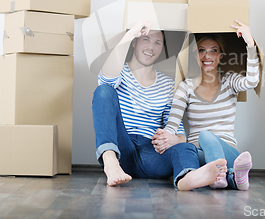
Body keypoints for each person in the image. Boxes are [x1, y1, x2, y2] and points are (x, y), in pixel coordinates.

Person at [91, 19, 226, 190]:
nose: (151, 47)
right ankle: (110, 163)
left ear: (162, 48)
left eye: (158, 42)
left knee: (186, 147)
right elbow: (104, 81)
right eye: (146, 39)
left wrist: (173, 139)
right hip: (122, 150)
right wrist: (131, 32)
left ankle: (186, 178)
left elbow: (180, 133)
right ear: (134, 43)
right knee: (103, 91)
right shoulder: (118, 72)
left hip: (152, 153)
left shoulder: (168, 84)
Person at [152, 20, 260, 190]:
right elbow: (172, 124)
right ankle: (232, 177)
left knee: (206, 135)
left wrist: (250, 44)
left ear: (220, 56)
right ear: (196, 56)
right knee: (196, 146)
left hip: (228, 152)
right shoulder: (186, 87)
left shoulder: (230, 81)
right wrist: (163, 137)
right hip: (198, 155)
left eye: (213, 51)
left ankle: (217, 176)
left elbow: (252, 82)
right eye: (201, 51)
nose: (207, 56)